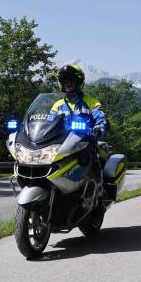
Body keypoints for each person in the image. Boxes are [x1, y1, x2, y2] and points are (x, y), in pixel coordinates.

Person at [50, 64, 109, 192]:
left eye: (72, 80)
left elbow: (101, 118)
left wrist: (99, 129)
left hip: (85, 144)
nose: (68, 83)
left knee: (95, 158)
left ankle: (99, 192)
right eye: (65, 80)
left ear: (79, 82)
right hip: (61, 146)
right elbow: (48, 123)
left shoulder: (92, 102)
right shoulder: (57, 105)